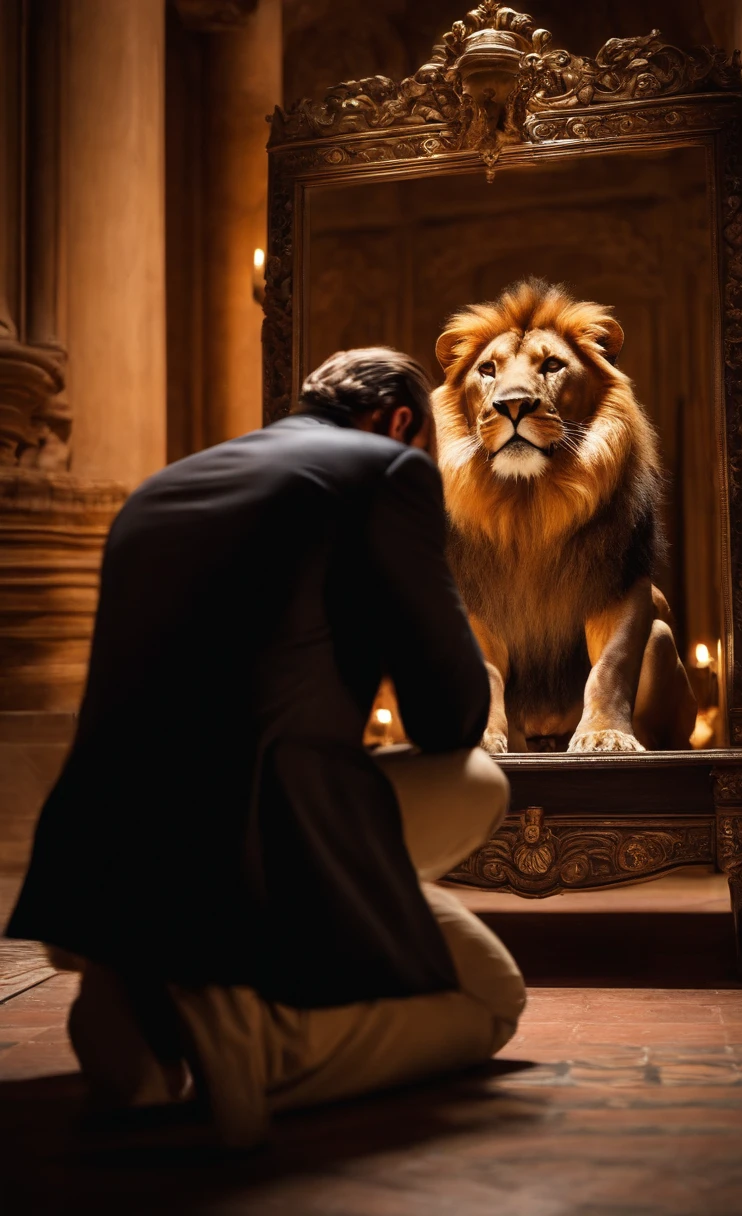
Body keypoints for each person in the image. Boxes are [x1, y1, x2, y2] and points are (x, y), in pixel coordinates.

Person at [6, 347, 525, 1147]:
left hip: (98, 850)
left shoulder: (163, 486)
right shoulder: (389, 470)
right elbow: (449, 717)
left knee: (482, 969)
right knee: (479, 799)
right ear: (400, 424)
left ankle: (132, 996)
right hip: (247, 839)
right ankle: (254, 1042)